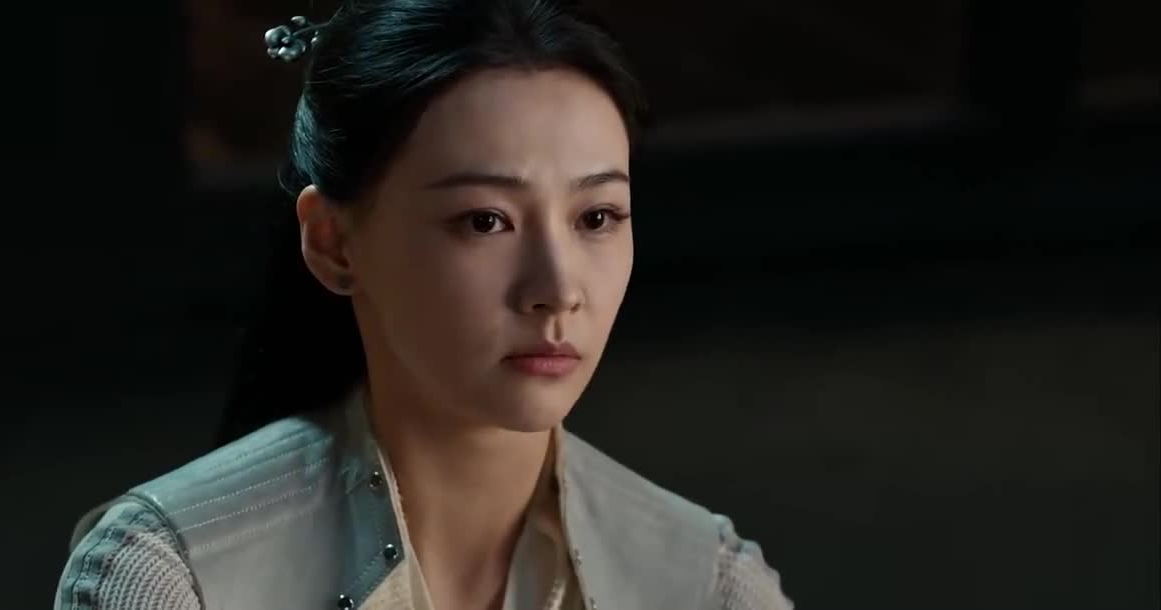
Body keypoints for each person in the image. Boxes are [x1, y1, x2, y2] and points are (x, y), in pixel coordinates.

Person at [53, 1, 793, 609]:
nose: (558, 288)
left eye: (596, 217)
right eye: (484, 221)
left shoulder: (710, 587)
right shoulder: (170, 577)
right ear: (334, 242)